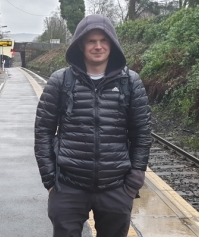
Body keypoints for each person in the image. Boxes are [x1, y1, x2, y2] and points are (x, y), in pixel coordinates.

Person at [34, 14, 152, 237]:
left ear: (112, 44)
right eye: (91, 41)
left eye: (103, 40)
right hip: (68, 186)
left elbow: (142, 134)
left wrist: (134, 180)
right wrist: (50, 180)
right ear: (81, 44)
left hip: (116, 186)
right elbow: (43, 132)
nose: (98, 46)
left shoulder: (131, 82)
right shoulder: (60, 81)